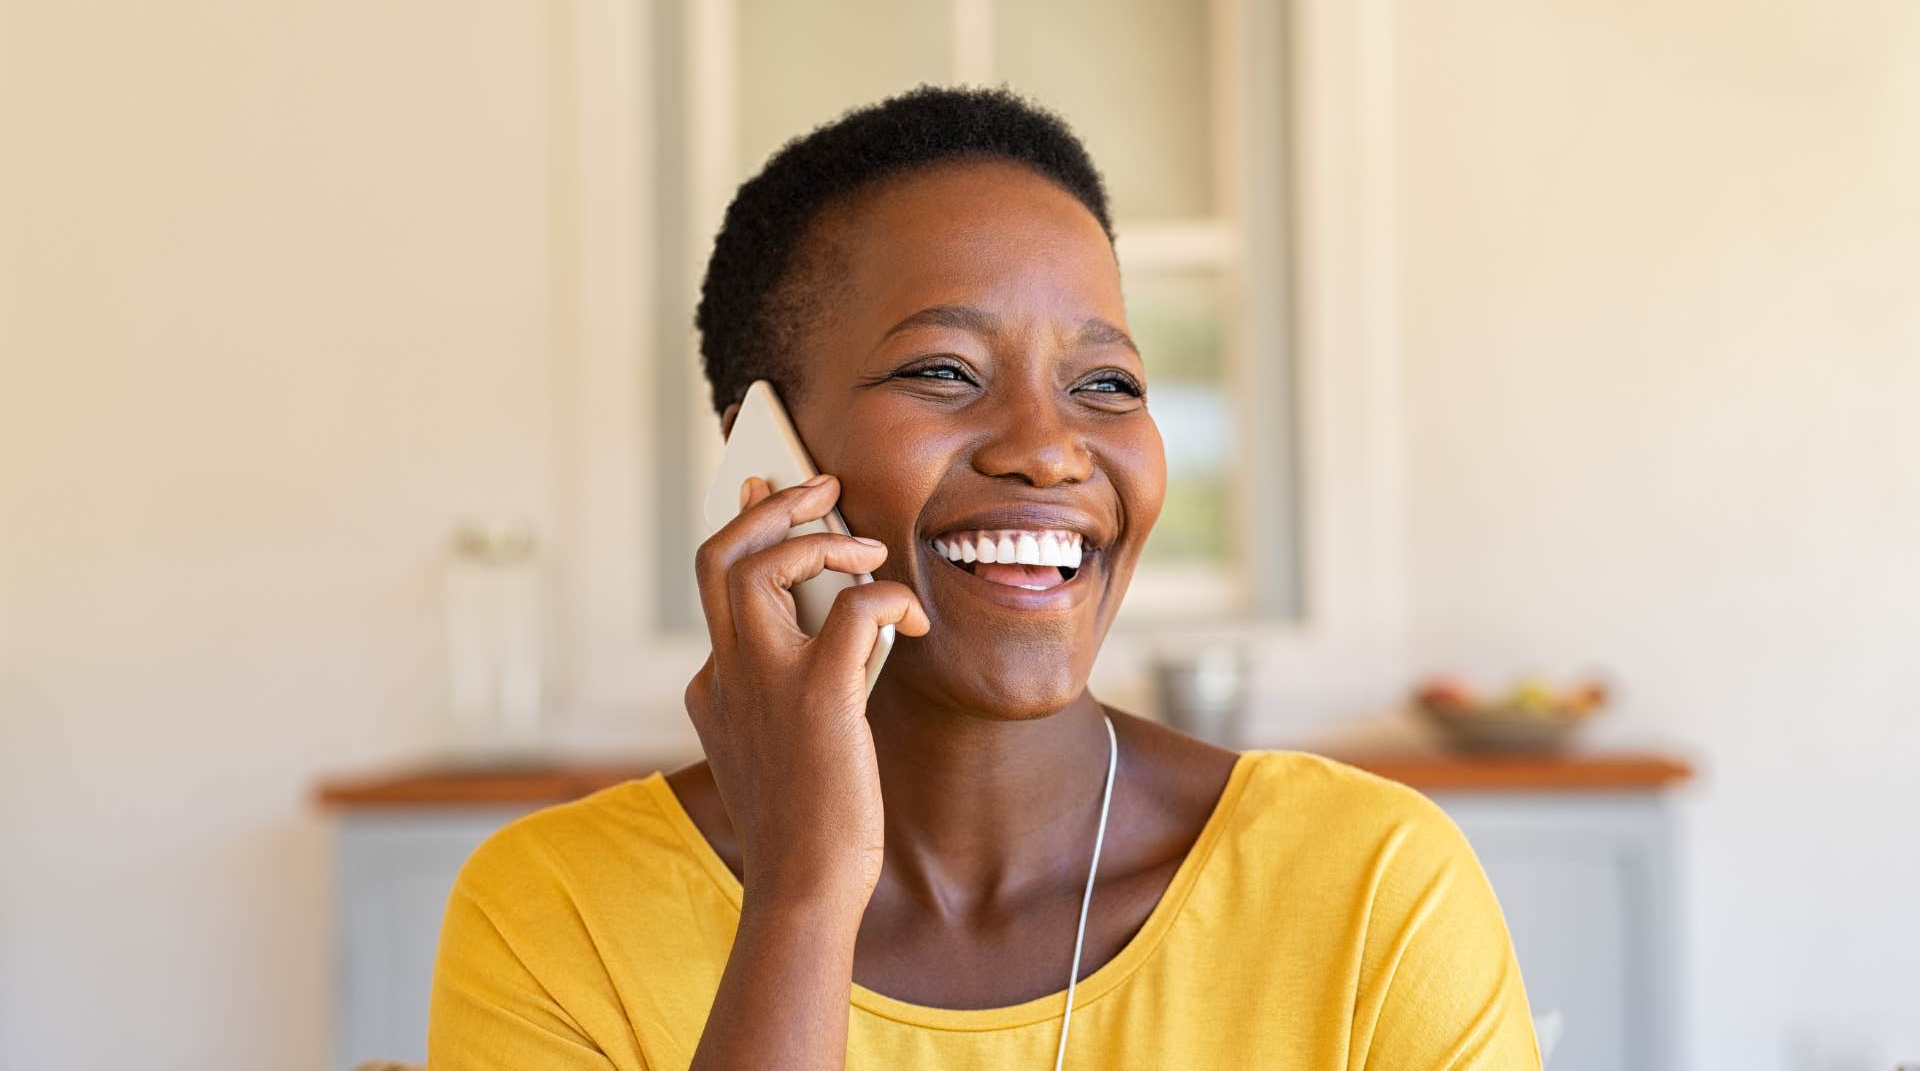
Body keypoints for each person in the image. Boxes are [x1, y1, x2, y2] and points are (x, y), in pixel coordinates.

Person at [428, 86, 1540, 1070]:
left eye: (1106, 382)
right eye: (943, 370)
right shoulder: (555, 912)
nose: (1050, 449)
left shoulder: (1369, 884)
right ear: (764, 460)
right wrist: (804, 896)